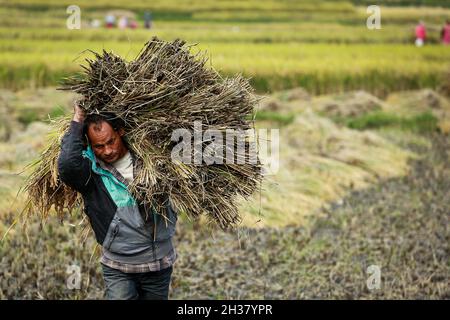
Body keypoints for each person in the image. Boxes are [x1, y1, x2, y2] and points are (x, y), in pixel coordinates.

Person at [58, 103, 178, 300]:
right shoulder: (90, 171)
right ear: (89, 144)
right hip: (118, 267)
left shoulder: (150, 158)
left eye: (110, 141)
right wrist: (78, 119)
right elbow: (67, 165)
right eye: (98, 146)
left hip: (159, 263)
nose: (107, 151)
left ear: (120, 131)